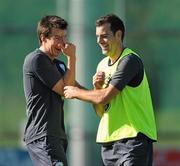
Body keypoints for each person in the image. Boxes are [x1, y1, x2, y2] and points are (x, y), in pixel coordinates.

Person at [64, 14, 157, 166]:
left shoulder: (129, 61)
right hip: (109, 144)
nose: (99, 41)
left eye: (104, 36)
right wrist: (97, 88)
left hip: (134, 140)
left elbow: (104, 97)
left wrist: (76, 92)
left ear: (119, 34)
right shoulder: (101, 65)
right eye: (97, 36)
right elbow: (101, 111)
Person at [23, 15, 76, 166]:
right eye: (57, 38)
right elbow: (67, 89)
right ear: (43, 37)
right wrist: (72, 58)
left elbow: (76, 88)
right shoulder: (36, 60)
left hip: (55, 136)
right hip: (43, 136)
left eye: (64, 37)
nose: (62, 43)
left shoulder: (58, 64)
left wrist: (99, 92)